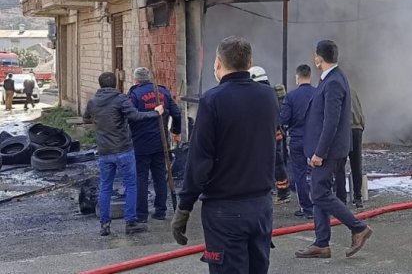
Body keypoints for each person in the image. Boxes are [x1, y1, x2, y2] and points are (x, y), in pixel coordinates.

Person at [172, 37, 279, 274]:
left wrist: (184, 207)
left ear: (218, 63)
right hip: (261, 208)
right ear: (249, 63)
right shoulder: (268, 97)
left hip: (225, 213)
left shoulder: (212, 100)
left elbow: (200, 160)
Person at [295, 40, 372, 259]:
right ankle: (321, 243)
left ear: (318, 58)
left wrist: (319, 152)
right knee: (321, 193)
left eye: (315, 56)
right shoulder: (332, 79)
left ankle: (358, 227)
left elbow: (331, 122)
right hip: (329, 150)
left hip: (328, 152)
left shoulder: (334, 82)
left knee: (319, 193)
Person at [83, 72, 164, 237]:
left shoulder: (93, 102)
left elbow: (86, 118)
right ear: (115, 84)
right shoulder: (120, 99)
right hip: (123, 150)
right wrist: (156, 113)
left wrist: (99, 122)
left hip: (104, 151)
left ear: (100, 85)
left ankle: (104, 225)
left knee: (105, 187)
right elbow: (135, 116)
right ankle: (130, 222)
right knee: (131, 185)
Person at [127, 67, 182, 222]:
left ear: (136, 79)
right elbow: (176, 113)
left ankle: (142, 215)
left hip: (141, 143)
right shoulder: (163, 92)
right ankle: (161, 211)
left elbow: (130, 117)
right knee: (159, 176)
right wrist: (176, 131)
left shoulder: (134, 95)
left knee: (141, 178)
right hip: (161, 142)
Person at [250, 65, 291, 204]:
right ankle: (283, 192)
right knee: (277, 163)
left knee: (265, 163)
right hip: (276, 133)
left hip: (265, 134)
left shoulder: (259, 94)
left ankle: (279, 192)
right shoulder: (272, 93)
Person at [280, 64, 316, 218]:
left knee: (300, 174)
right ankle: (320, 207)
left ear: (297, 77)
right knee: (318, 173)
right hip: (315, 139)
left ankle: (306, 209)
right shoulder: (318, 93)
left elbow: (283, 119)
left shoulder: (291, 96)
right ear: (310, 76)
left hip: (297, 139)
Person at [335, 87, 365, 208]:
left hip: (343, 129)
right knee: (356, 164)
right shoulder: (352, 90)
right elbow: (360, 110)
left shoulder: (334, 90)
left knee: (339, 165)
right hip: (357, 128)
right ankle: (358, 198)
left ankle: (341, 200)